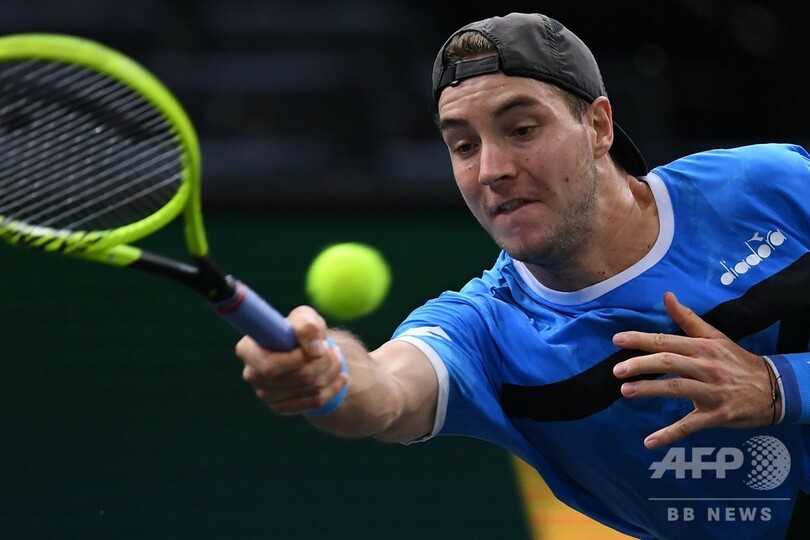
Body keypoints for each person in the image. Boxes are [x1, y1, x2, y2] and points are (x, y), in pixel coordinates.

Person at [235, 12, 810, 539]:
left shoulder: (772, 185)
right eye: (463, 145)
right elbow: (386, 389)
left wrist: (778, 385)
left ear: (598, 126)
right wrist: (327, 373)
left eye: (522, 129)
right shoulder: (483, 332)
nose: (491, 170)